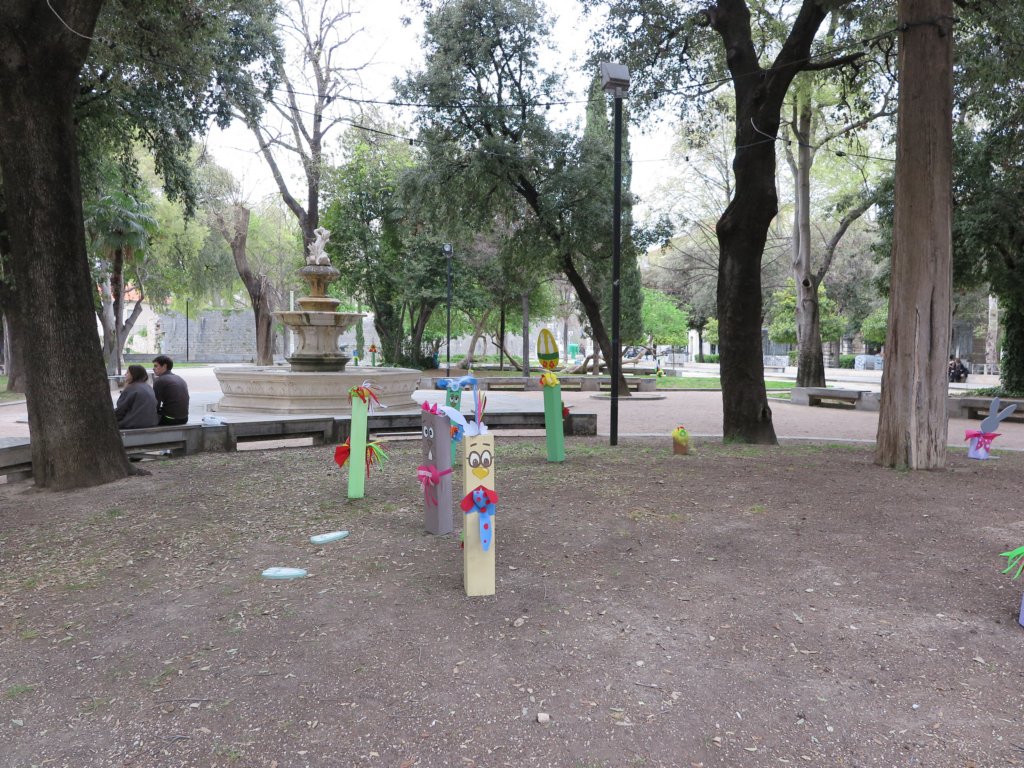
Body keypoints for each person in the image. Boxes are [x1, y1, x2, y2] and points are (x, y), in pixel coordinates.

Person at [114, 365, 159, 429]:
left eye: (127, 372)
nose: (125, 374)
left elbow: (121, 410)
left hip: (134, 423)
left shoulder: (131, 388)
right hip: (152, 422)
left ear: (134, 374)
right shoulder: (148, 387)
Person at [152, 354, 190, 425]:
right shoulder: (179, 378)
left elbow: (155, 404)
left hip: (170, 419)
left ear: (164, 366)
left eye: (156, 366)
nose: (153, 368)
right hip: (184, 418)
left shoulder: (159, 380)